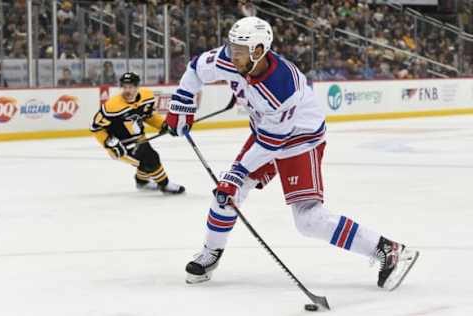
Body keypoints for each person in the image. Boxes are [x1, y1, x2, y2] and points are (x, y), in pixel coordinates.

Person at [165, 17, 419, 289]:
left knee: (308, 219)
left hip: (300, 140)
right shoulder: (229, 58)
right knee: (226, 194)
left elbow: (273, 143)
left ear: (259, 51)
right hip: (266, 133)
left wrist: (237, 173)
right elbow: (195, 70)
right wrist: (181, 105)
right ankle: (210, 253)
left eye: (240, 50)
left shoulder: (282, 86)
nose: (232, 54)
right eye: (232, 46)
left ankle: (388, 249)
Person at [90, 72, 185, 194]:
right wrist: (110, 143)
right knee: (151, 159)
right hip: (121, 145)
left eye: (130, 87)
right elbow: (96, 127)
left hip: (140, 138)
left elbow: (148, 116)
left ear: (137, 87)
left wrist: (163, 125)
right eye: (124, 87)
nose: (127, 90)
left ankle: (142, 182)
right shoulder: (112, 107)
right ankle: (165, 185)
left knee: (145, 163)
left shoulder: (147, 96)